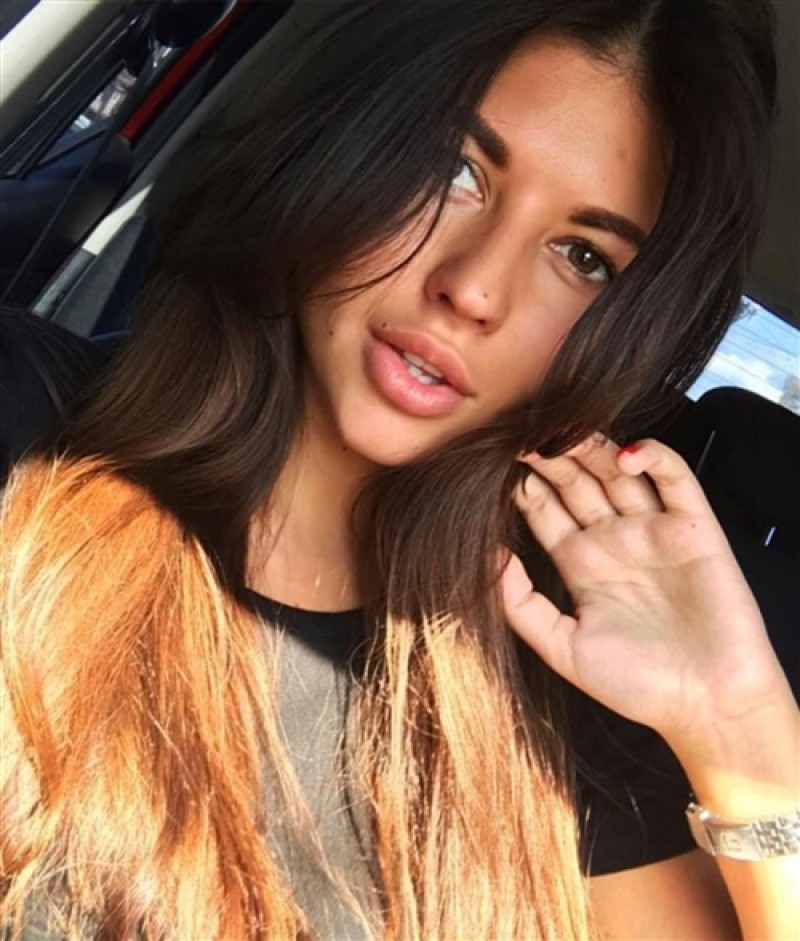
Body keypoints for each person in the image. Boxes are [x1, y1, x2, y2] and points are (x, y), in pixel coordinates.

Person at [1, 0, 798, 938]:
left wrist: (740, 723)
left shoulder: (565, 689)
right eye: (456, 170)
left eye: (582, 256)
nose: (475, 287)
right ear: (346, 141)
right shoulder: (31, 432)